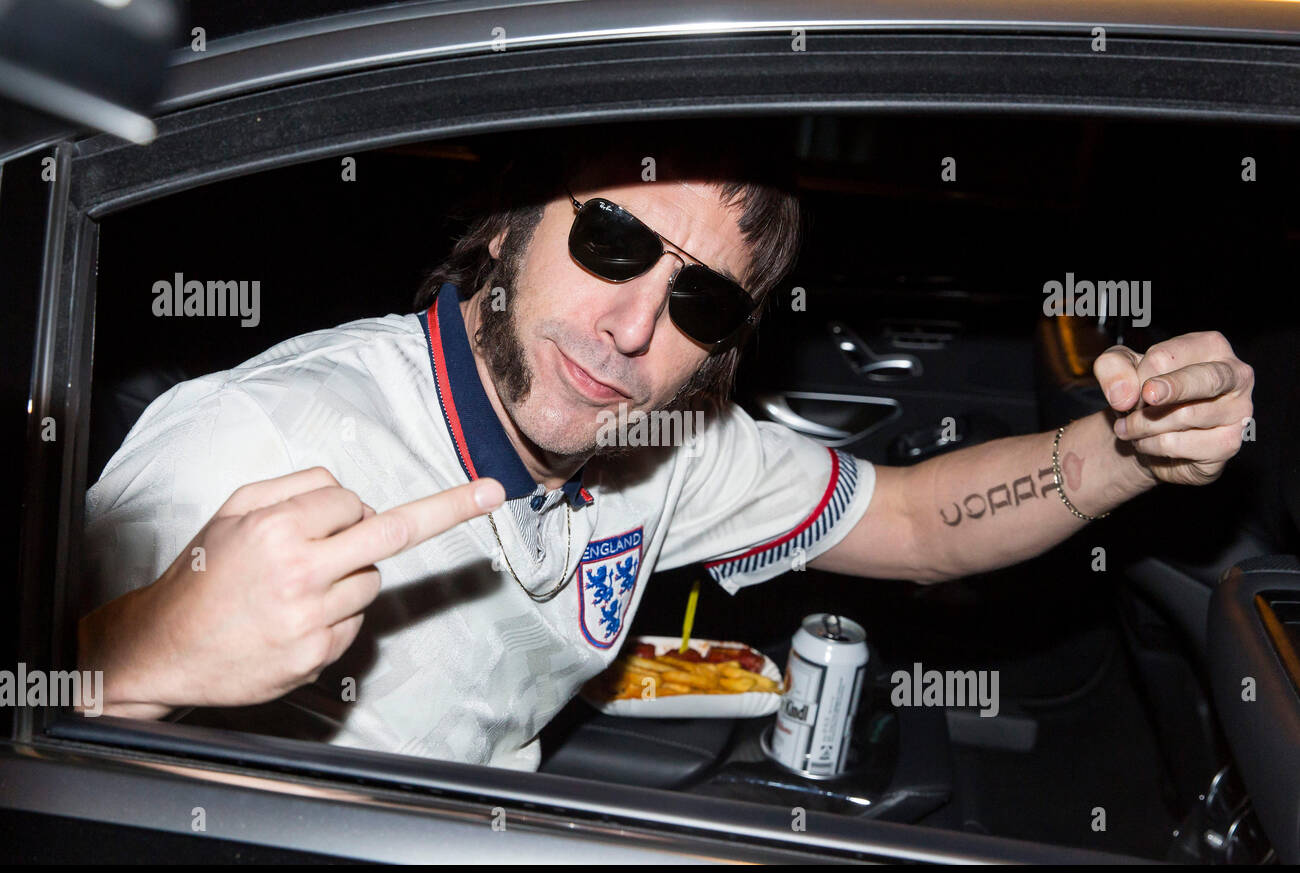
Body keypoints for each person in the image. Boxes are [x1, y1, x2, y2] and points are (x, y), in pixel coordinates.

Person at [77, 127, 1254, 771]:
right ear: (503, 226)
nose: (634, 328)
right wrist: (132, 659)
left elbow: (907, 523)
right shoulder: (253, 444)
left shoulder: (659, 444)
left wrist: (1123, 457)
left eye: (702, 305)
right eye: (611, 239)